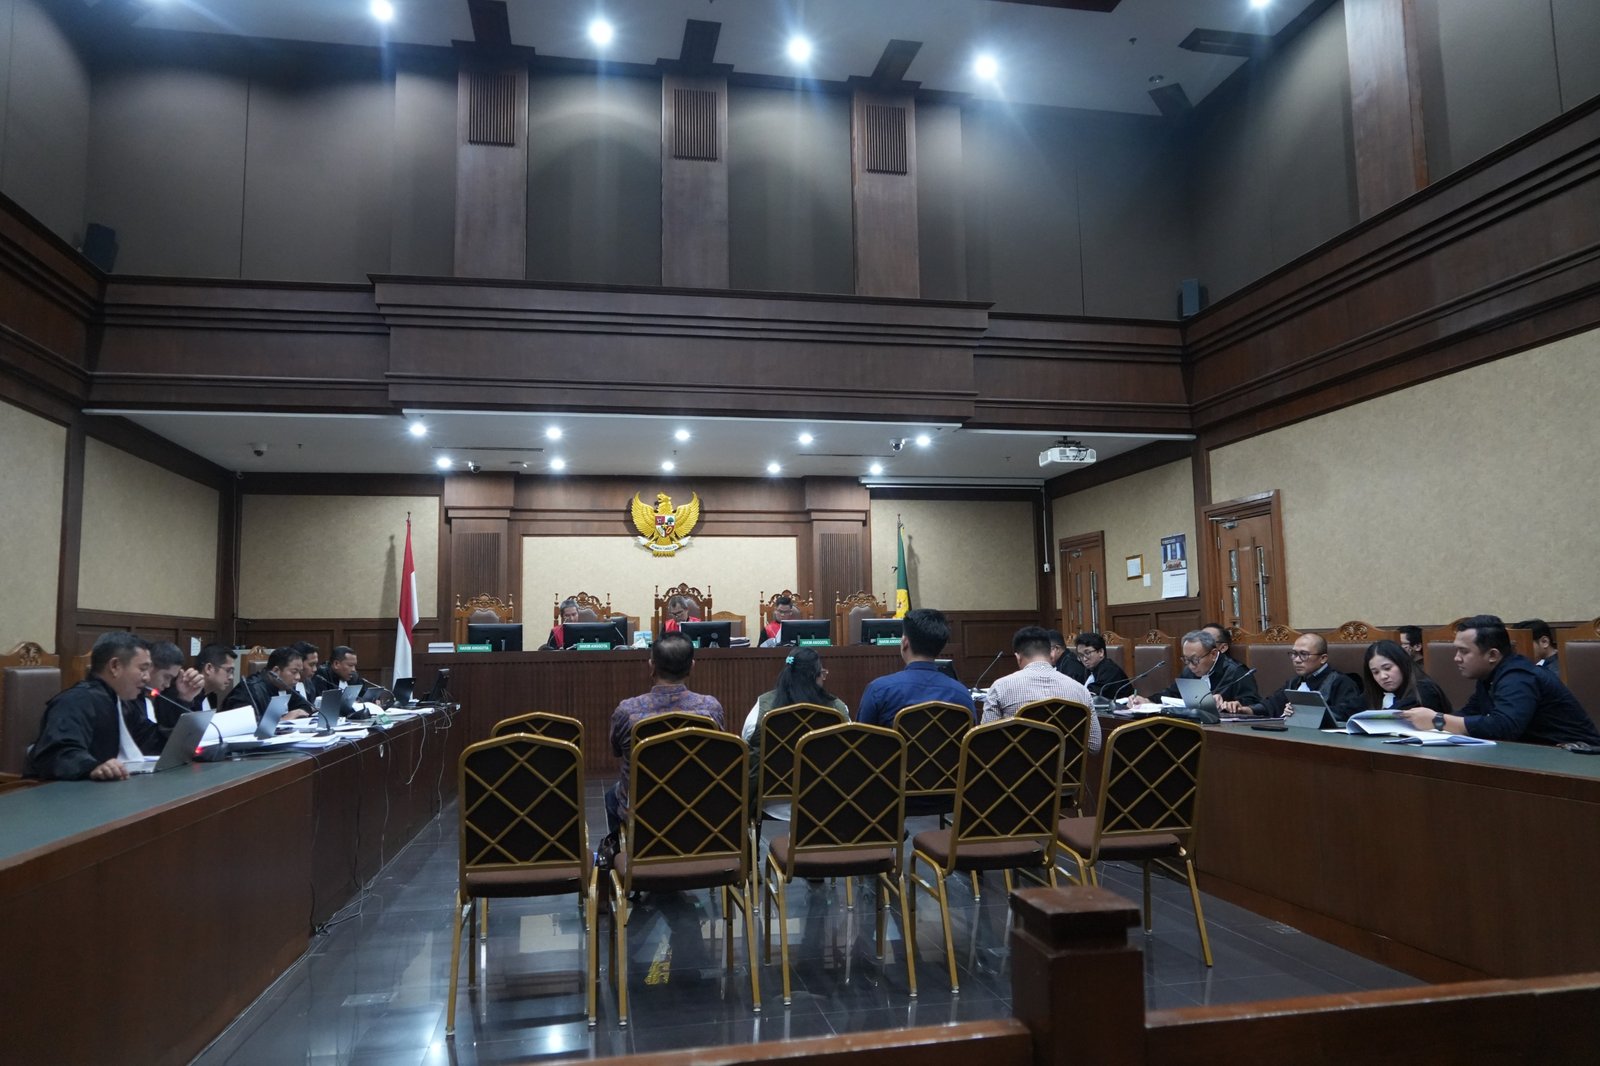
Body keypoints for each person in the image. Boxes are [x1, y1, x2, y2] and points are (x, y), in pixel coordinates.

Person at [1397, 615, 1600, 746]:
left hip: (1577, 758)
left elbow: (1504, 727)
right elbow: (1469, 714)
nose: (1456, 658)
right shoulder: (1489, 676)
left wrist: (1438, 720)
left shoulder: (1519, 676)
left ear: (1492, 655)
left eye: (1464, 651)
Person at [604, 633, 724, 838]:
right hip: (698, 805)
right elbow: (717, 755)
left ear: (651, 666)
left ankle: (623, 850)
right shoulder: (710, 709)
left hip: (642, 810)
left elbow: (616, 751)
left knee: (611, 796)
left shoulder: (627, 711)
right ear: (692, 667)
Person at [25, 632, 162, 781]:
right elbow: (57, 753)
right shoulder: (75, 701)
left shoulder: (122, 701)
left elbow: (148, 739)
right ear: (115, 666)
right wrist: (92, 767)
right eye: (142, 669)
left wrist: (177, 733)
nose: (147, 678)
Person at [741, 648, 849, 808]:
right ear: (815, 676)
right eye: (822, 673)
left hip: (771, 810)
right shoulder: (837, 710)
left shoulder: (763, 707)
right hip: (827, 810)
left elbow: (747, 750)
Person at [983, 626, 1101, 753]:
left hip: (1017, 765)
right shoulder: (1081, 691)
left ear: (1018, 657)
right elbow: (1094, 746)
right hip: (1066, 765)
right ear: (1051, 653)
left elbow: (986, 744)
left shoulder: (1000, 688)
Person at [856, 608, 976, 727]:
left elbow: (861, 735)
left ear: (905, 642)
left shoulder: (879, 690)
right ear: (941, 646)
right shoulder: (962, 694)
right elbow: (971, 737)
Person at [1222, 633, 1364, 723]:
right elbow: (1273, 704)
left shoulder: (1341, 682)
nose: (1296, 660)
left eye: (1303, 654)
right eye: (1294, 654)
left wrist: (1305, 712)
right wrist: (1246, 710)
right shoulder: (1295, 681)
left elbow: (1347, 715)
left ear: (1323, 658)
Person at [1133, 628, 1259, 708]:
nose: (1191, 666)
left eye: (1195, 660)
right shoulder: (1189, 671)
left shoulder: (1236, 672)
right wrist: (1147, 700)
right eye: (1186, 660)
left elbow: (1252, 703)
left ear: (1213, 654)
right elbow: (1171, 694)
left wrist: (1231, 705)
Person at [222, 645, 315, 721]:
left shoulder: (285, 685)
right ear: (276, 671)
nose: (298, 677)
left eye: (299, 672)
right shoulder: (250, 689)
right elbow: (243, 723)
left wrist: (297, 713)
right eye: (294, 672)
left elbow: (305, 706)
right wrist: (283, 720)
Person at [1361, 639, 1451, 713]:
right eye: (1376, 672)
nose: (1383, 676)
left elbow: (1393, 715)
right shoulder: (1375, 691)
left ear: (1402, 664)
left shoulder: (1424, 689)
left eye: (1387, 668)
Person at [140, 641, 205, 734]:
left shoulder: (166, 696)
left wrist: (185, 698)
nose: (167, 684)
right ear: (150, 667)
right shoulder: (130, 697)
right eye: (167, 677)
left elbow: (179, 734)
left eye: (172, 679)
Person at [1073, 631, 1128, 699]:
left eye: (1087, 653)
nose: (1084, 659)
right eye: (1080, 655)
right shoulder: (1089, 669)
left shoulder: (1109, 669)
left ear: (1101, 652)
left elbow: (1092, 693)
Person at [190, 643, 238, 712]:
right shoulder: (189, 698)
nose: (231, 677)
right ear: (209, 668)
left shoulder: (211, 696)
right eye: (228, 670)